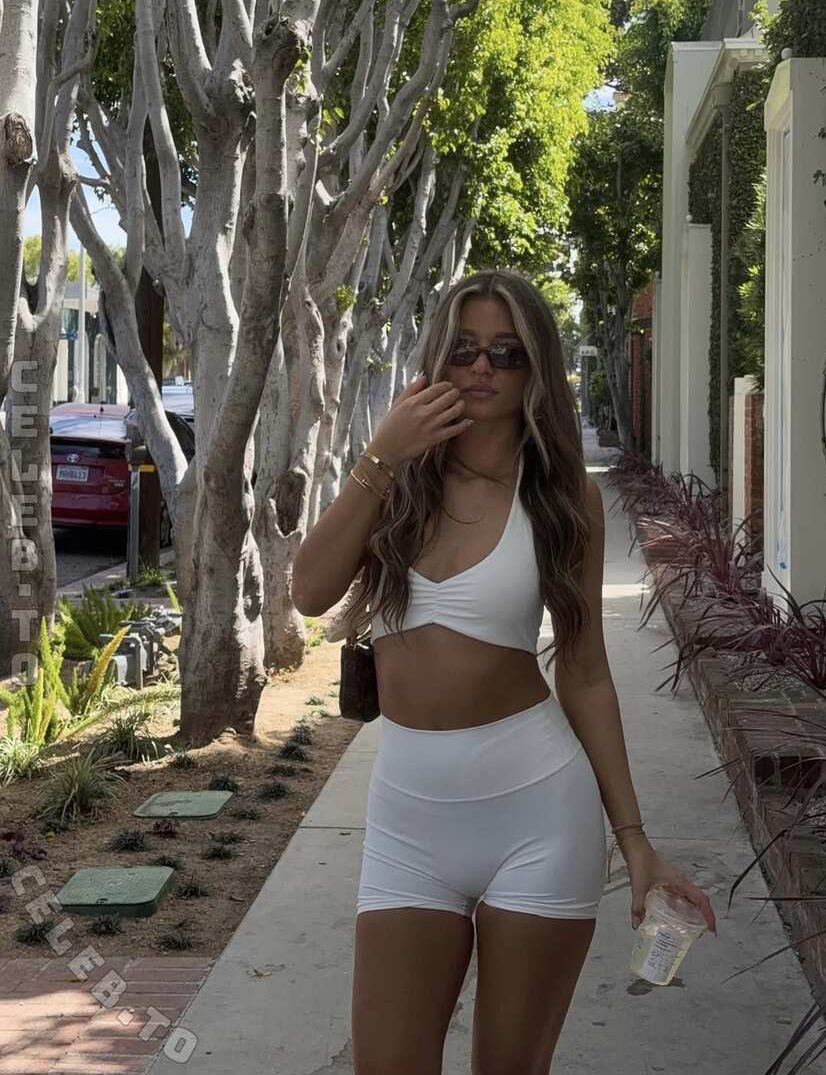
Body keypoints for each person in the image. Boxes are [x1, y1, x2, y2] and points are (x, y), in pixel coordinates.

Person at [292, 269, 717, 1075]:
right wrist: (382, 453)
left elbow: (584, 673)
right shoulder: (394, 482)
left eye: (505, 352)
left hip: (536, 813)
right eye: (462, 351)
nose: (481, 367)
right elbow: (309, 592)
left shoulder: (559, 499)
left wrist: (634, 843)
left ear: (535, 369)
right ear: (436, 361)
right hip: (408, 819)